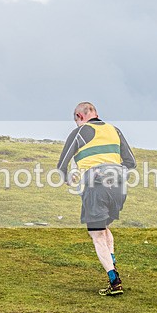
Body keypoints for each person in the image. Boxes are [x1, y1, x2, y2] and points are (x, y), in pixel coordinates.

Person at [57, 102, 136, 296]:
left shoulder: (80, 132)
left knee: (96, 234)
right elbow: (131, 163)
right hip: (119, 188)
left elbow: (61, 165)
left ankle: (114, 280)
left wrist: (68, 179)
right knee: (104, 229)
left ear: (79, 116)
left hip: (96, 187)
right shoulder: (114, 130)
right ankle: (113, 264)